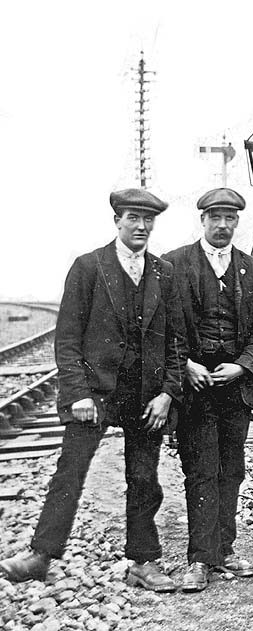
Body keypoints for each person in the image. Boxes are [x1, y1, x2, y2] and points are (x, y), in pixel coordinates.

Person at [0, 189, 186, 592]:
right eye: (133, 218)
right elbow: (67, 339)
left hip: (146, 395)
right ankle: (41, 554)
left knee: (144, 478)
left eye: (148, 220)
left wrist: (167, 393)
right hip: (94, 394)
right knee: (70, 472)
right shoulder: (88, 267)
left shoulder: (163, 273)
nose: (141, 226)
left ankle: (143, 560)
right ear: (117, 220)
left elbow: (176, 342)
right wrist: (79, 392)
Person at [163, 188, 253, 592]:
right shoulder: (175, 264)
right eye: (215, 218)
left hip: (234, 389)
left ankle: (225, 550)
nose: (223, 226)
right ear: (203, 221)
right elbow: (165, 327)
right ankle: (199, 558)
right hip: (195, 386)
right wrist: (185, 365)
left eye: (230, 219)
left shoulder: (252, 270)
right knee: (201, 469)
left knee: (233, 469)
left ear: (237, 223)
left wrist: (243, 366)